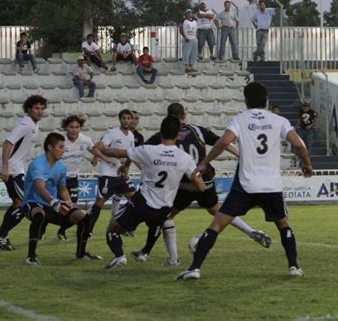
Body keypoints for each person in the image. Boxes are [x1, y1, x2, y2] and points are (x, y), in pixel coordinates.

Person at [177, 82, 313, 281]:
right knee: (283, 224)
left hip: (246, 184)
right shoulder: (279, 120)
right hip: (271, 185)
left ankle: (195, 268)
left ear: (246, 100)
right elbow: (298, 144)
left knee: (217, 224)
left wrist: (205, 162)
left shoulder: (240, 119)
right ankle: (294, 266)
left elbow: (224, 142)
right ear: (266, 100)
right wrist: (306, 164)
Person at [127, 103, 272, 266]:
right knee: (218, 211)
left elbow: (139, 153)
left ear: (167, 118)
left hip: (184, 183)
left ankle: (165, 257)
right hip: (205, 179)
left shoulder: (162, 136)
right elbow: (221, 142)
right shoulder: (197, 130)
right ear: (184, 115)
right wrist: (241, 154)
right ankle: (251, 232)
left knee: (166, 216)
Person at [102, 116, 206, 269]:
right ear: (177, 134)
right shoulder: (185, 158)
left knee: (112, 229)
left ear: (160, 132)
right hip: (164, 207)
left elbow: (118, 152)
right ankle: (152, 254)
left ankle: (119, 256)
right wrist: (180, 186)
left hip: (143, 201)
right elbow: (201, 187)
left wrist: (102, 150)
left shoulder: (148, 150)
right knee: (160, 223)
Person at [22, 133, 100, 265]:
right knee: (39, 215)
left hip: (52, 206)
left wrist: (70, 204)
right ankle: (31, 256)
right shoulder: (38, 164)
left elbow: (62, 189)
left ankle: (81, 253)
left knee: (83, 217)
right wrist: (53, 202)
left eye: (64, 147)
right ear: (50, 147)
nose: (64, 150)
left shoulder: (61, 167)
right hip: (32, 203)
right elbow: (39, 187)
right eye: (61, 147)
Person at [0, 95, 47, 250]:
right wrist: (5, 167)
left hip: (16, 168)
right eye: (36, 108)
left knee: (17, 204)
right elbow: (7, 143)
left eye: (42, 108)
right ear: (29, 109)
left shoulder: (33, 125)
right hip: (12, 169)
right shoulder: (25, 124)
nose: (40, 111)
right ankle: (1, 235)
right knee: (25, 205)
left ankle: (1, 237)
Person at [55, 115, 111, 241]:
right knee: (56, 208)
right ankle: (41, 229)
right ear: (65, 127)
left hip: (73, 179)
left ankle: (62, 230)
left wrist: (102, 158)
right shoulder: (60, 140)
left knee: (73, 209)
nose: (74, 130)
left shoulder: (85, 140)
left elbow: (93, 149)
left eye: (77, 127)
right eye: (71, 127)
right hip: (58, 179)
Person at [88, 109, 137, 233]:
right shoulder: (112, 133)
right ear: (120, 120)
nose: (126, 120)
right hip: (108, 173)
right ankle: (88, 228)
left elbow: (131, 154)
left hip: (121, 174)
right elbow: (96, 148)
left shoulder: (131, 135)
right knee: (100, 202)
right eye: (123, 118)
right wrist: (106, 158)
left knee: (135, 199)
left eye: (128, 118)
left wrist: (126, 167)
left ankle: (122, 226)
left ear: (132, 120)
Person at [180, 9, 198, 73]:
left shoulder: (195, 21)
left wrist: (196, 37)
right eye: (188, 13)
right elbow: (181, 29)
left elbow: (196, 29)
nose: (189, 14)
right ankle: (186, 67)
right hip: (187, 39)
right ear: (185, 14)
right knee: (186, 53)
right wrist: (185, 37)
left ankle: (191, 66)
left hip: (194, 39)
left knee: (193, 53)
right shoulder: (183, 21)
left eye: (190, 13)